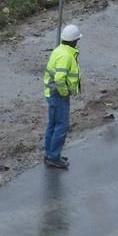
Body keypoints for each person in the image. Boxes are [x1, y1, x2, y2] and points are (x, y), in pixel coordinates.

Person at [42, 24, 82, 170]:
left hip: (52, 93)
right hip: (59, 95)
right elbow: (60, 79)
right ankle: (54, 157)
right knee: (61, 125)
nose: (78, 41)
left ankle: (49, 153)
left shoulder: (58, 50)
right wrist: (65, 93)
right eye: (77, 39)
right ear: (73, 41)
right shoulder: (66, 55)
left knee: (52, 124)